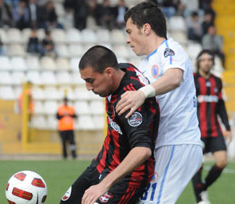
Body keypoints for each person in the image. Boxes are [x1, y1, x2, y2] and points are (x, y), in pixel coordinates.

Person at [115, 2, 203, 203]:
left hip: (176, 141)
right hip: (163, 143)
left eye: (129, 31)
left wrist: (141, 93)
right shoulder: (145, 63)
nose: (127, 39)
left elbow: (174, 78)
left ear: (146, 28)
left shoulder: (170, 49)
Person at [60, 45, 160, 204]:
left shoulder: (130, 101)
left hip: (127, 178)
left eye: (90, 80)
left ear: (108, 73)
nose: (88, 87)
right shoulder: (122, 69)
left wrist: (102, 186)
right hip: (101, 164)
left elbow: (142, 150)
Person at [192, 49, 232, 204]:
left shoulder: (217, 81)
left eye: (210, 59)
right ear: (199, 62)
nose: (207, 62)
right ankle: (200, 199)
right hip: (197, 131)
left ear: (213, 62)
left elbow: (220, 105)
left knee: (222, 161)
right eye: (204, 60)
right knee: (197, 164)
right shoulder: (193, 80)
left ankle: (202, 188)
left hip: (214, 130)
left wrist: (227, 126)